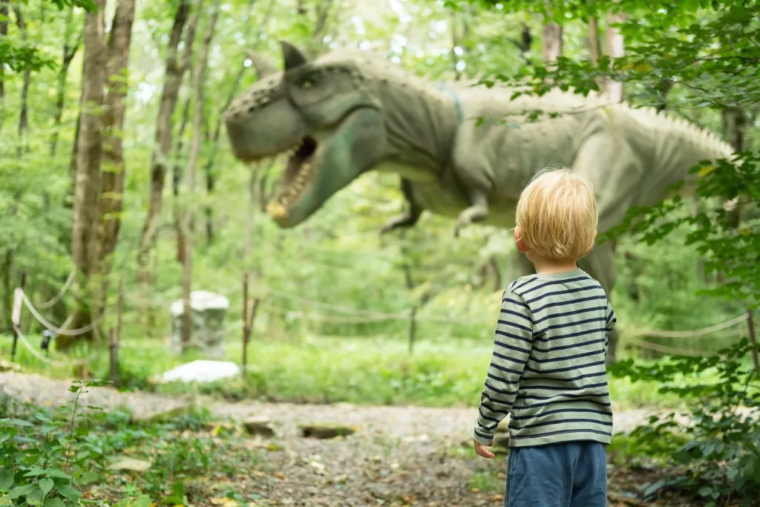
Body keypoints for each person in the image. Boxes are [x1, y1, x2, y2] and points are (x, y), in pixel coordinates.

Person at [472, 168, 617, 507]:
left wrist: (486, 424)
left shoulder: (522, 296)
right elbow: (602, 338)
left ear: (519, 237)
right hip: (592, 439)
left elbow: (505, 374)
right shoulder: (596, 291)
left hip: (541, 440)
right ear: (591, 238)